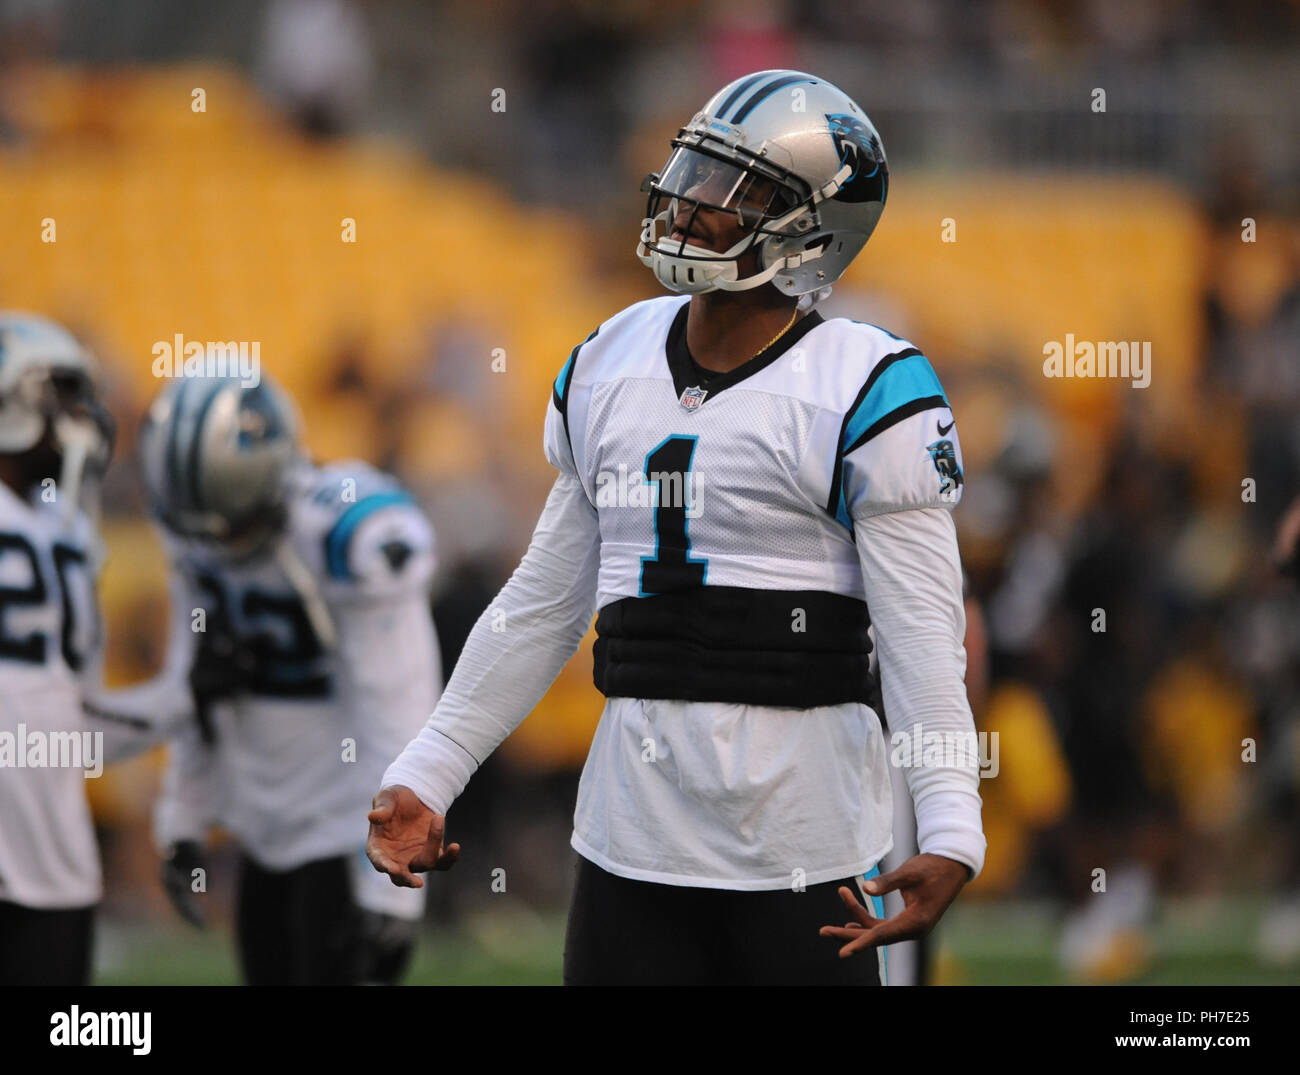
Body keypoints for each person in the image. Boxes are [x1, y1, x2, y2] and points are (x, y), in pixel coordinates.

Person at [367, 69, 986, 986]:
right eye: (695, 172)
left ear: (808, 229)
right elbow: (542, 604)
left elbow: (922, 637)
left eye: (734, 190)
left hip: (804, 855)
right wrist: (430, 768)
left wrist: (950, 822)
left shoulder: (865, 386)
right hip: (630, 847)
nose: (691, 204)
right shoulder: (610, 360)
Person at [137, 371, 440, 985]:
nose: (220, 544)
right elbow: (195, 685)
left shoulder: (342, 534)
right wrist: (185, 816)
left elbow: (399, 707)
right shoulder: (197, 527)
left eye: (233, 523)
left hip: (347, 831)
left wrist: (395, 885)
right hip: (263, 832)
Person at [0, 311, 179, 985]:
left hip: (50, 834)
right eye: (57, 399)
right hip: (48, 851)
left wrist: (177, 703)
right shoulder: (61, 530)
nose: (77, 418)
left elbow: (65, 715)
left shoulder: (63, 524)